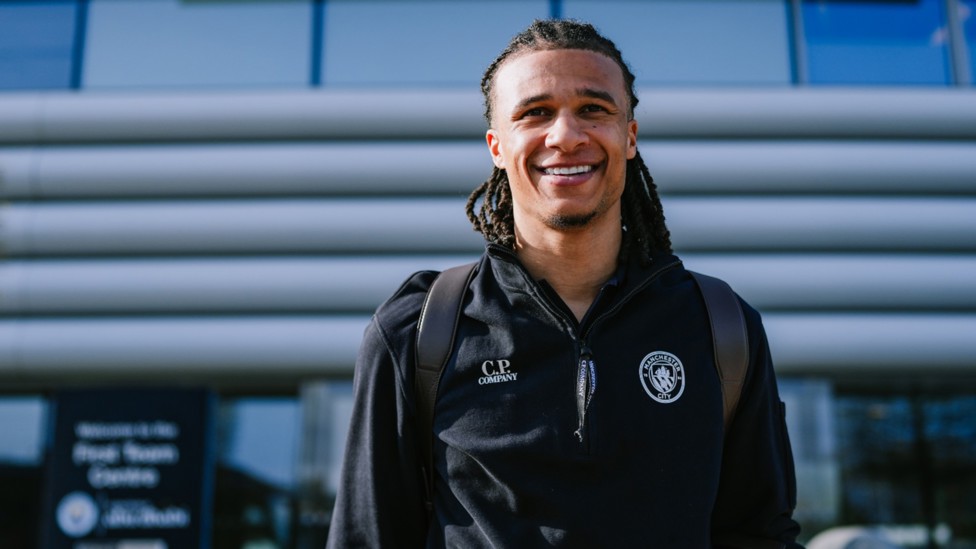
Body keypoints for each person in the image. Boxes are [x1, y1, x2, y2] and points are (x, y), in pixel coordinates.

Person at [326, 19, 802, 548]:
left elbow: (761, 534)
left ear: (630, 137)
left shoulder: (722, 326)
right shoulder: (417, 330)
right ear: (497, 147)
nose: (566, 136)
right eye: (536, 114)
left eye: (594, 110)